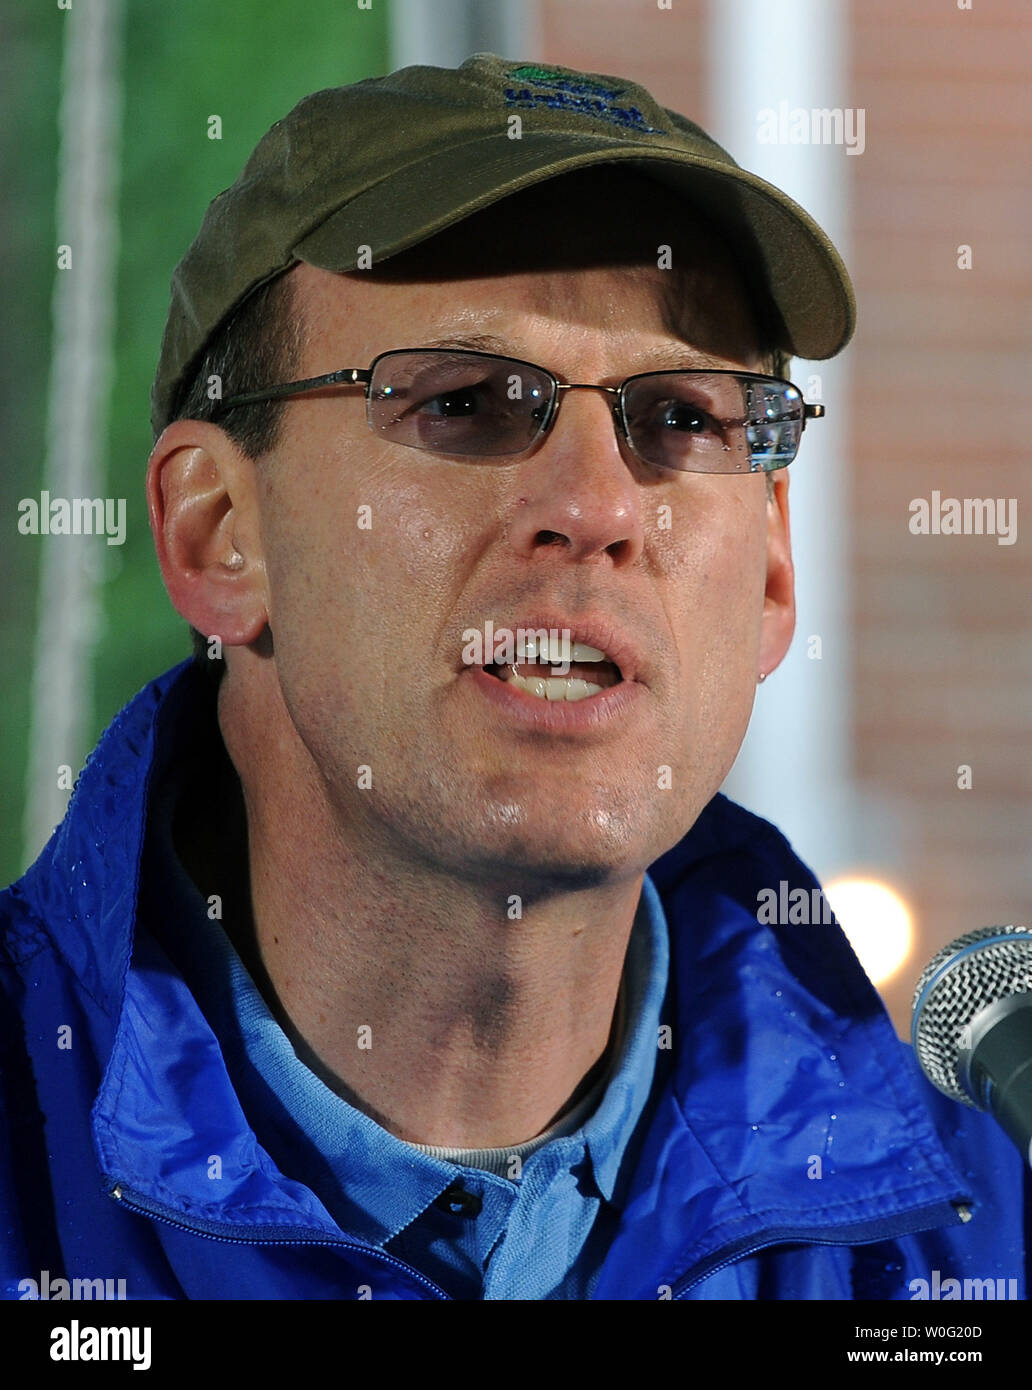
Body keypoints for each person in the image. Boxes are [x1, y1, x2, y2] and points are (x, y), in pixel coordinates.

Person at [1, 54, 1025, 1303]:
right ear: (218, 533)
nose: (597, 507)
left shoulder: (970, 1248)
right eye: (468, 402)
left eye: (683, 420)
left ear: (769, 573)